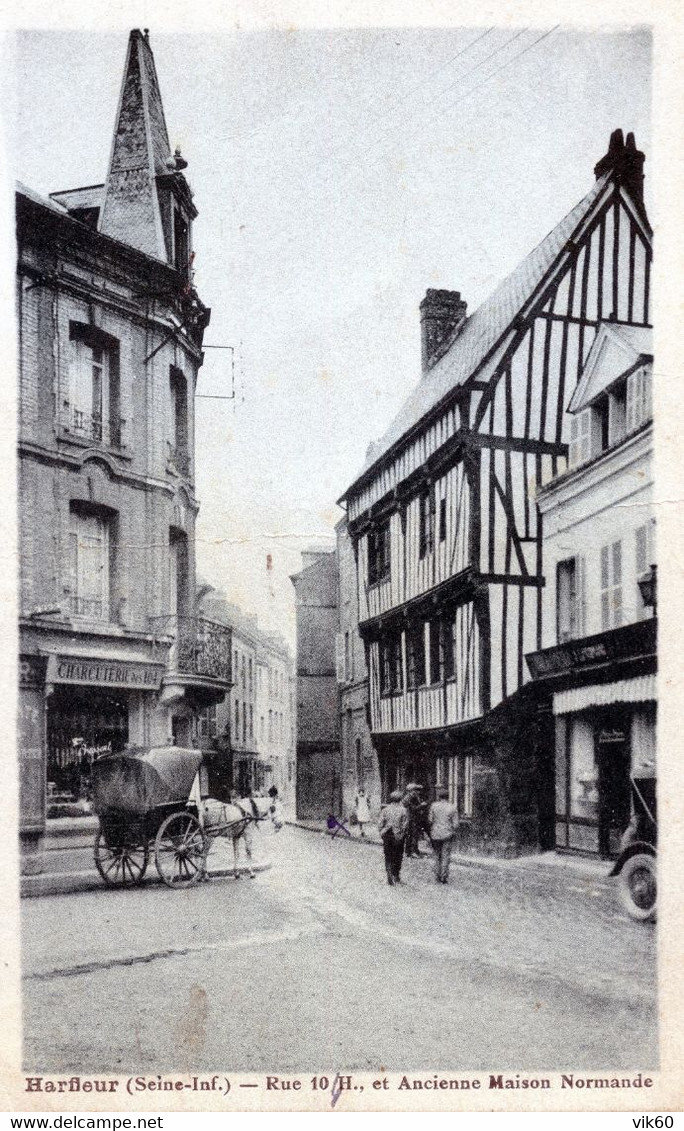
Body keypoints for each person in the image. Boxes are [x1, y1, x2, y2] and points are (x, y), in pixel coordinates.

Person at [427, 787, 459, 884]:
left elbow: (430, 820)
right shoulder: (452, 807)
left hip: (435, 834)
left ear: (439, 796)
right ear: (448, 797)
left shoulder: (433, 806)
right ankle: (443, 877)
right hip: (447, 834)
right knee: (446, 855)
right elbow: (456, 824)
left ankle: (437, 875)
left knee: (437, 855)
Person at [377, 790, 409, 885]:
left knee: (388, 855)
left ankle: (389, 876)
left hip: (387, 834)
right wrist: (402, 833)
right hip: (398, 835)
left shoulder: (385, 810)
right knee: (398, 855)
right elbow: (405, 824)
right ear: (400, 799)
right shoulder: (403, 810)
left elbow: (380, 823)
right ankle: (396, 876)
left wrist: (382, 832)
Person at [403, 784, 427, 857]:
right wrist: (422, 805)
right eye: (415, 790)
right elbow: (413, 808)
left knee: (410, 835)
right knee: (414, 835)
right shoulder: (410, 798)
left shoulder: (410, 797)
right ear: (411, 790)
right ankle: (413, 851)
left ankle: (409, 851)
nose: (417, 792)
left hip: (412, 818)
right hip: (412, 818)